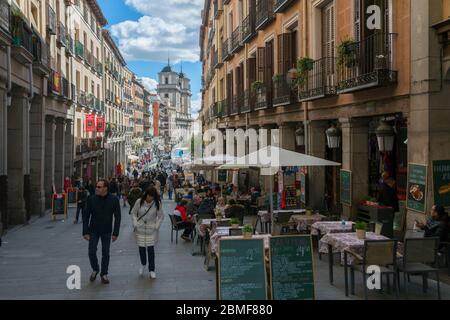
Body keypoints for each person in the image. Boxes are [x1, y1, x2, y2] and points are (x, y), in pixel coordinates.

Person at [82, 179, 122, 284]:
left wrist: (116, 233)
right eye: (96, 186)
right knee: (91, 251)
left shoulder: (114, 200)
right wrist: (85, 231)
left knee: (105, 252)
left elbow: (117, 217)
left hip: (106, 230)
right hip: (93, 230)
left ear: (105, 188)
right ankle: (95, 268)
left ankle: (104, 274)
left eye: (99, 187)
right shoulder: (91, 199)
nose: (96, 188)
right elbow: (86, 216)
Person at [131, 187, 164, 279]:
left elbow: (161, 216)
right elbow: (133, 213)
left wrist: (156, 226)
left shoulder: (157, 203)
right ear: (146, 194)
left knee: (150, 249)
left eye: (152, 197)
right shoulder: (139, 201)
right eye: (149, 196)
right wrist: (135, 223)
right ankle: (143, 264)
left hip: (151, 229)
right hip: (140, 228)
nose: (150, 198)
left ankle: (152, 269)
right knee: (141, 248)